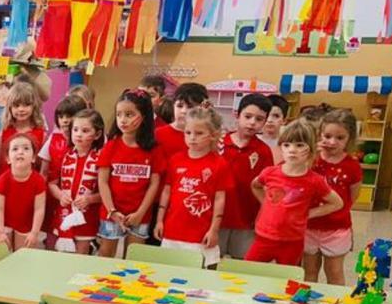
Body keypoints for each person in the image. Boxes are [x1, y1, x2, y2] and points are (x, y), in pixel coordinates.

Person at [246, 120, 343, 266]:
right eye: (287, 145)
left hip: (292, 242)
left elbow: (337, 203)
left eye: (299, 145)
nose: (292, 150)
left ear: (310, 149)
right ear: (281, 148)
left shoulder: (314, 181)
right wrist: (266, 202)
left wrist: (309, 213)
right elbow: (255, 185)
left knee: (288, 279)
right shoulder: (270, 173)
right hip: (263, 238)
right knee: (248, 271)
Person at [154, 108, 232, 267]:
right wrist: (159, 221)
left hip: (200, 233)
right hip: (172, 231)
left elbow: (219, 199)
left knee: (199, 273)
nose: (192, 138)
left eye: (199, 133)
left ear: (213, 135)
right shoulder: (176, 160)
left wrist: (214, 230)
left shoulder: (219, 164)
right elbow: (167, 191)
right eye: (188, 133)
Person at [97, 89, 165, 258]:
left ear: (144, 116)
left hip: (140, 215)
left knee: (134, 258)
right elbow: (103, 182)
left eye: (129, 114)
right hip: (111, 213)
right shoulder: (111, 146)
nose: (123, 120)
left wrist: (140, 213)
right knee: (105, 255)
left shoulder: (153, 149)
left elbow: (154, 184)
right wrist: (112, 211)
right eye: (119, 114)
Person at [304, 109, 364, 284]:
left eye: (340, 138)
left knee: (334, 272)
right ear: (319, 134)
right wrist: (311, 154)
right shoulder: (312, 159)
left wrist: (334, 211)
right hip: (308, 225)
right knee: (309, 270)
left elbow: (352, 197)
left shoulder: (352, 165)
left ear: (349, 139)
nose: (332, 142)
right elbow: (298, 177)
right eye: (327, 136)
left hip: (336, 229)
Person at [219, 93, 274, 260]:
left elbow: (267, 187)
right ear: (237, 114)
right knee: (211, 263)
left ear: (265, 122)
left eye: (259, 119)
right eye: (248, 116)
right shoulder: (218, 143)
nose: (252, 123)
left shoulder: (264, 151)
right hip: (217, 218)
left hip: (247, 221)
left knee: (243, 265)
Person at [51, 108, 104, 254]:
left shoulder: (101, 158)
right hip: (64, 211)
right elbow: (52, 183)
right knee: (62, 253)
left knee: (82, 254)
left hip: (87, 216)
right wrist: (60, 195)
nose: (79, 134)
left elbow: (107, 191)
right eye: (75, 129)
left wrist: (90, 199)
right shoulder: (64, 155)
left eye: (85, 131)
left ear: (97, 134)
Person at [0, 132, 47, 250]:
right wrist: (0, 232)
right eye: (15, 149)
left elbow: (39, 209)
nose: (20, 152)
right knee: (3, 251)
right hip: (5, 223)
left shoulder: (38, 181)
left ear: (33, 157)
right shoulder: (3, 179)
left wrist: (34, 232)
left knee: (23, 253)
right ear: (8, 158)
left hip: (26, 224)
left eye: (26, 148)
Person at [154, 82, 209, 161]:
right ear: (173, 105)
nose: (184, 111)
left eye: (190, 106)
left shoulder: (207, 136)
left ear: (203, 108)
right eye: (179, 106)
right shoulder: (158, 134)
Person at [261, 94, 290, 163]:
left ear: (284, 120)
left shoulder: (288, 145)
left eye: (276, 116)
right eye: (267, 115)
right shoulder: (252, 141)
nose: (270, 120)